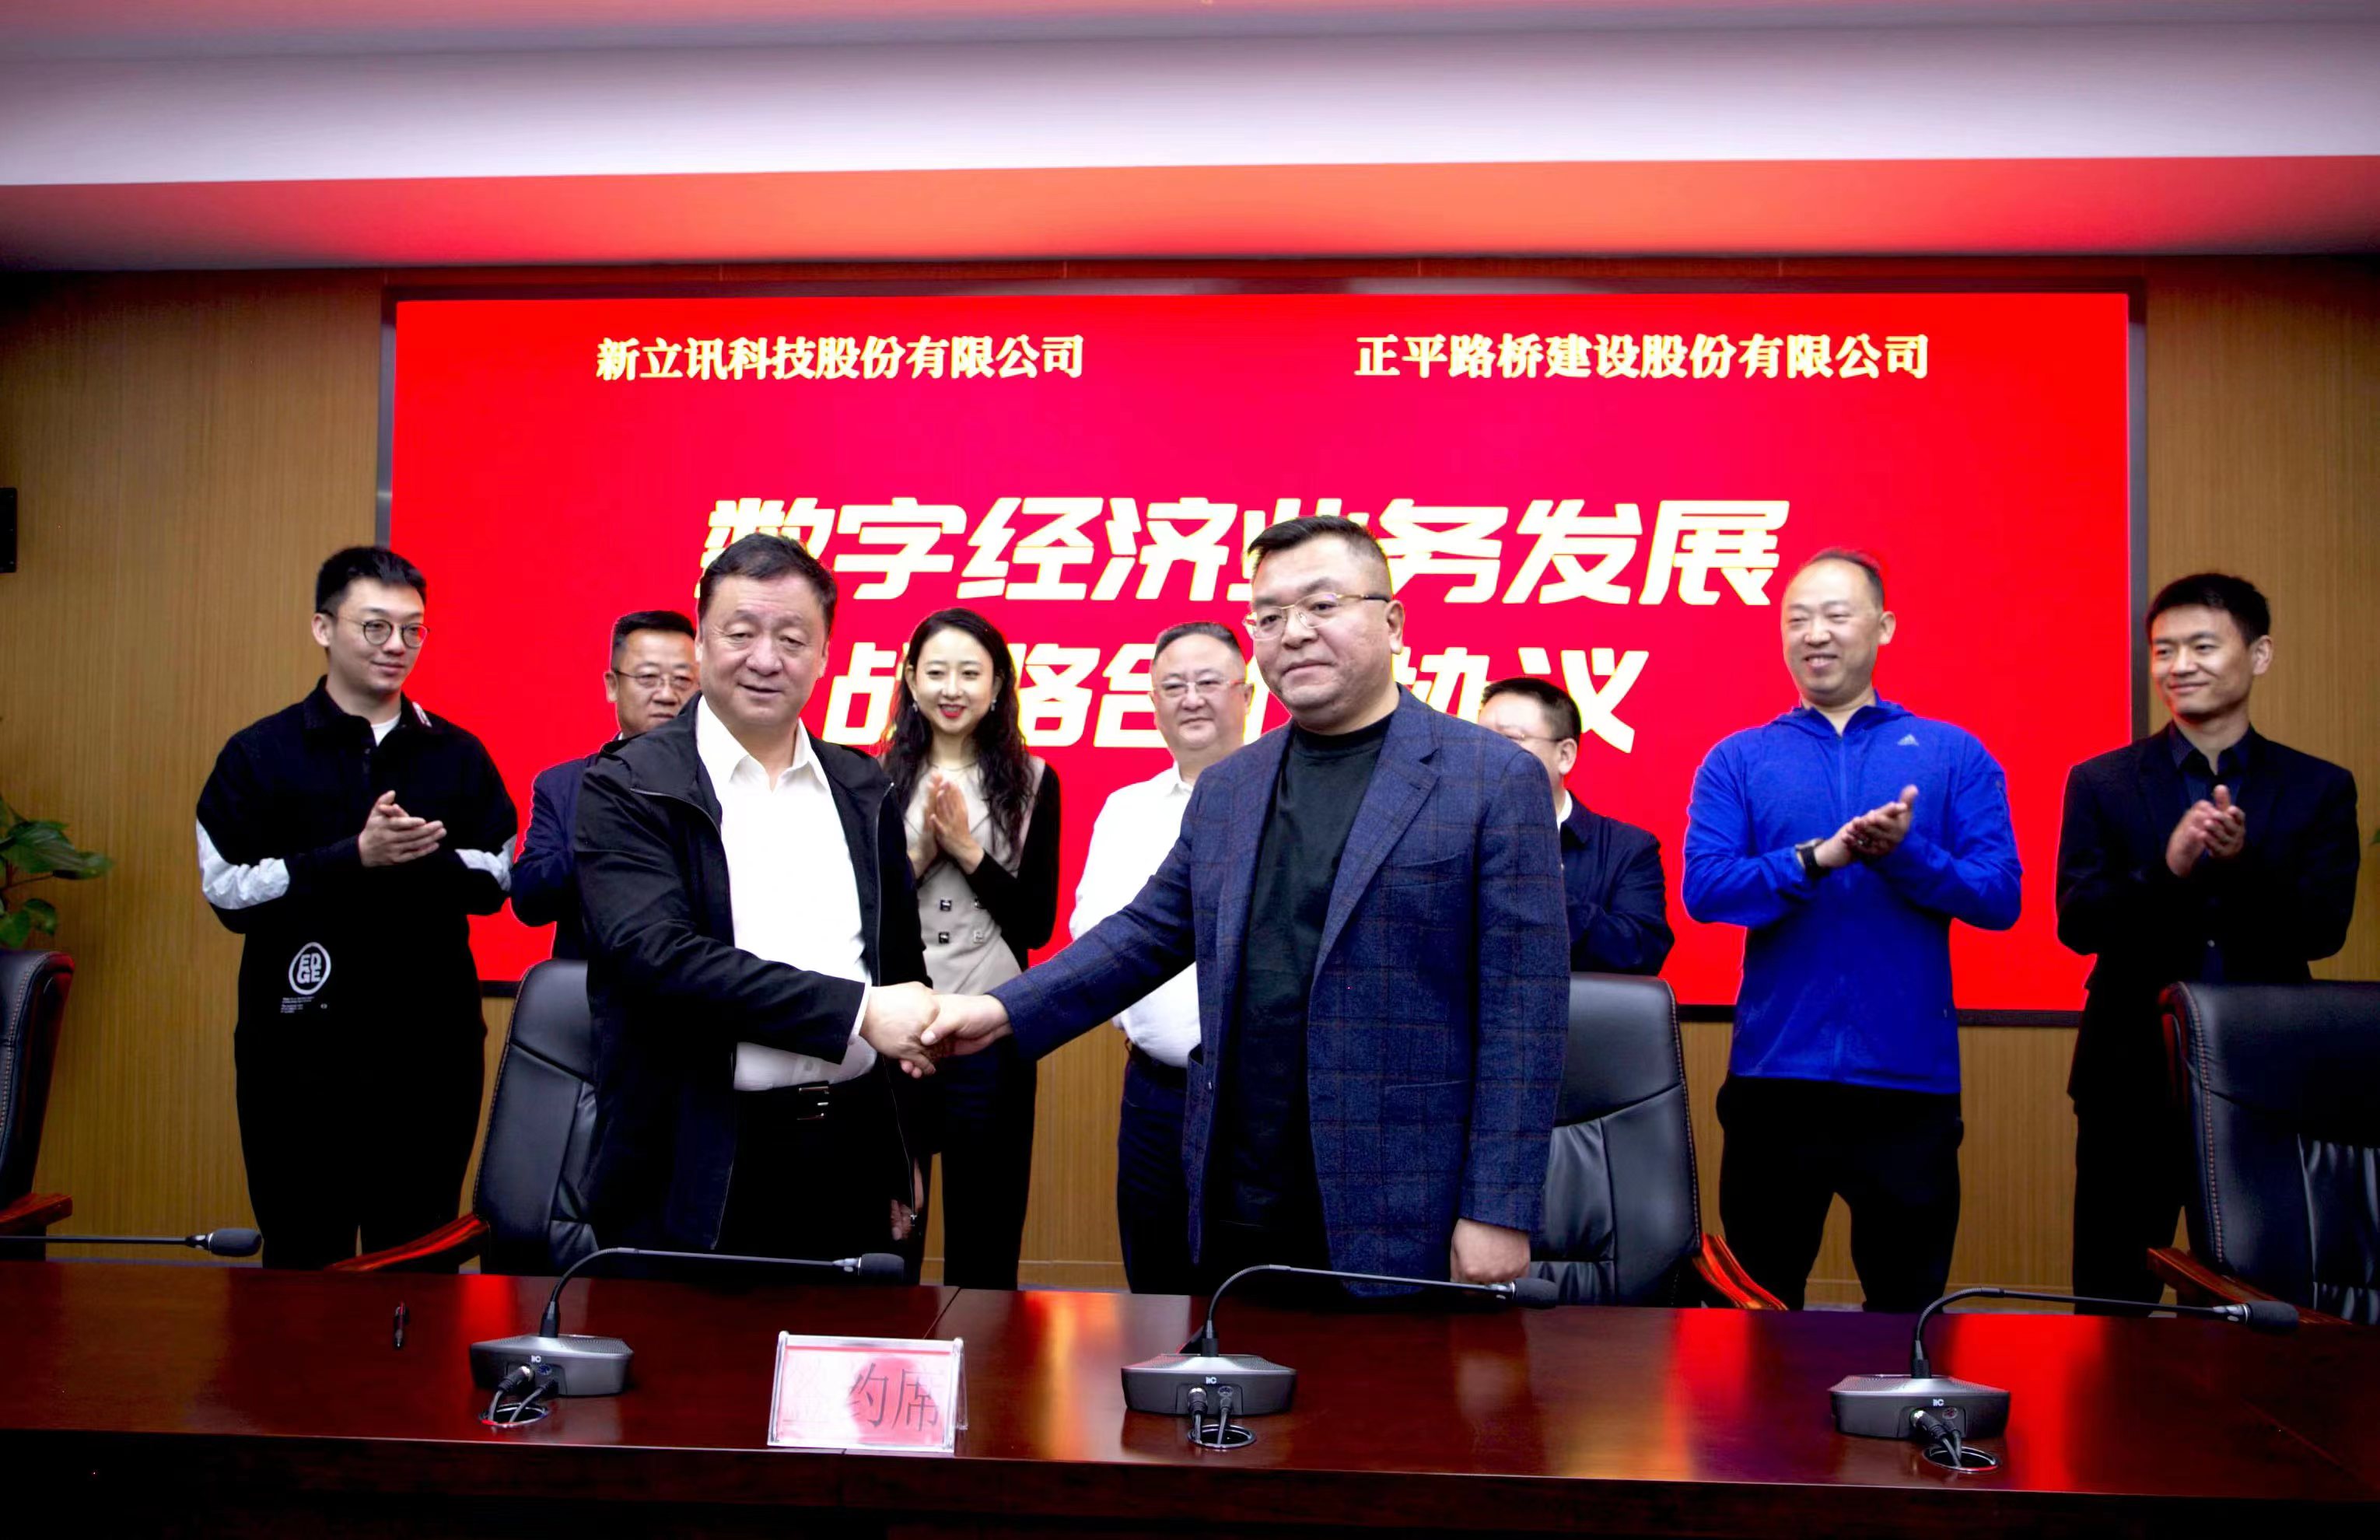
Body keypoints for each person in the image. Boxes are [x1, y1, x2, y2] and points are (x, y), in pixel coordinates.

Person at [924, 515, 1568, 1296]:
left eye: (1322, 605)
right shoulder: (1232, 787)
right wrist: (1000, 1011)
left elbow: (1524, 1011)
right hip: (1242, 1192)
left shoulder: (1490, 779)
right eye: (1268, 615)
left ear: (1393, 621)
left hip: (1403, 1203)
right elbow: (1147, 933)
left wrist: (1498, 1206)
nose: (1293, 632)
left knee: (1397, 1384)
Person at [573, 534, 941, 1267]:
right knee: (682, 1344)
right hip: (690, 1158)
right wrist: (858, 1013)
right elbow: (659, 957)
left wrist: (901, 1149)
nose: (766, 659)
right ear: (702, 641)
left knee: (848, 1343)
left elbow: (900, 971)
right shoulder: (629, 784)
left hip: (846, 1153)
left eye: (793, 639)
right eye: (741, 634)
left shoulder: (863, 788)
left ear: (825, 655)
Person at [1682, 548, 2019, 1311]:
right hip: (1775, 1082)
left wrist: (1907, 855)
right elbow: (1706, 889)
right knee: (1757, 1314)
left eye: (1836, 615)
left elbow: (2000, 896)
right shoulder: (1739, 758)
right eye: (1796, 619)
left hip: (1909, 1086)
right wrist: (1816, 859)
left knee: (1906, 1313)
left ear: (1884, 626)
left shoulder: (1953, 753)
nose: (1815, 634)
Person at [196, 546, 517, 1269]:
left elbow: (501, 878)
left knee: (420, 1260)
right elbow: (226, 888)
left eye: (412, 630)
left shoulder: (457, 754)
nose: (396, 646)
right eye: (375, 627)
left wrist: (420, 857)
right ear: (323, 627)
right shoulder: (260, 753)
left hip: (430, 1054)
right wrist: (351, 857)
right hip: (297, 1054)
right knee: (304, 1261)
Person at [2056, 572, 2359, 1310]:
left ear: (2259, 655)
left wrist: (2241, 863)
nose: (2179, 665)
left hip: (2270, 1081)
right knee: (2112, 1300)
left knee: (2255, 1304)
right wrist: (2169, 868)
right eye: (2164, 650)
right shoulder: (2102, 782)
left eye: (2202, 646)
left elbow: (2324, 929)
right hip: (2130, 1075)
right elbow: (2078, 924)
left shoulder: (2318, 787)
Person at [879, 608, 1062, 1291]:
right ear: (910, 680)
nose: (951, 689)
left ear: (997, 686)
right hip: (897, 1033)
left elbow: (1036, 923)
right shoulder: (871, 779)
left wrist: (966, 849)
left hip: (992, 1033)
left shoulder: (1034, 781)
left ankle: (984, 1357)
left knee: (986, 1235)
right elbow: (866, 916)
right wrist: (921, 855)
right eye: (936, 672)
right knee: (893, 1232)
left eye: (969, 673)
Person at [1071, 620, 1251, 1293]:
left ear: (1247, 694)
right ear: (1152, 702)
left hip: (1256, 1099)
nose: (1191, 699)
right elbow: (1094, 933)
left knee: (1251, 1293)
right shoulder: (1127, 809)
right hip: (1156, 1092)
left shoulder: (1292, 798)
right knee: (1154, 1283)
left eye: (1209, 682)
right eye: (1173, 686)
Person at [511, 610, 695, 959]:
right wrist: (599, 839)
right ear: (613, 685)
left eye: (683, 680)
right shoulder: (565, 784)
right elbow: (529, 901)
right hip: (593, 985)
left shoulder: (726, 779)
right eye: (648, 677)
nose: (667, 694)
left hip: (699, 984)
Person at [1478, 676, 1673, 975]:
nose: (1482, 754)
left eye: (1509, 740)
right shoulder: (1449, 838)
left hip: (1572, 1006)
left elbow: (1641, 949)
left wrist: (1539, 894)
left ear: (1565, 755)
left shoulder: (1626, 849)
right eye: (1478, 739)